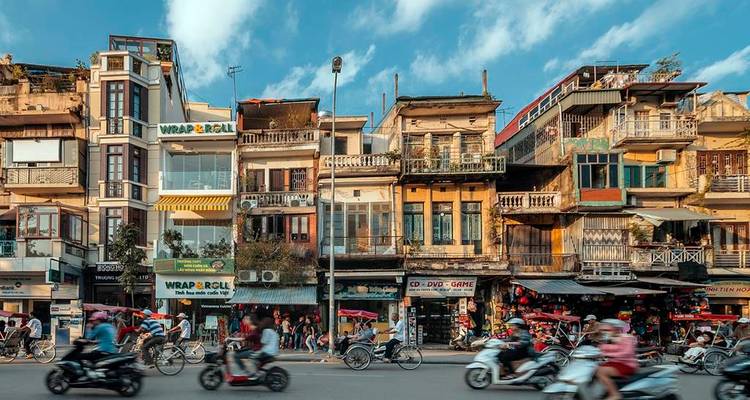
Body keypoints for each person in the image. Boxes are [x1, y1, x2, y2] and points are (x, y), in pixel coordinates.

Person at [596, 319, 637, 400]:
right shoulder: (608, 339)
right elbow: (601, 350)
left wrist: (607, 354)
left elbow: (626, 353)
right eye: (603, 330)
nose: (605, 332)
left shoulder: (626, 338)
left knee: (601, 372)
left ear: (616, 329)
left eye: (607, 330)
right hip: (614, 363)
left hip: (626, 365)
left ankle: (614, 394)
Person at [234, 312, 279, 378]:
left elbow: (262, 342)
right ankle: (256, 373)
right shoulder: (273, 332)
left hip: (265, 351)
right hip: (272, 352)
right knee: (253, 358)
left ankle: (252, 374)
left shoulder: (265, 331)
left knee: (252, 357)